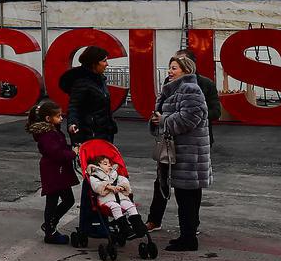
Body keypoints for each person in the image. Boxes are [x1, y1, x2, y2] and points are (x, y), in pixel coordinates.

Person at [145, 49, 221, 232]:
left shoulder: (200, 85)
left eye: (175, 66)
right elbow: (164, 111)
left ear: (188, 66)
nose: (170, 71)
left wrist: (168, 119)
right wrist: (157, 120)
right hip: (170, 142)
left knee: (189, 189)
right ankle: (155, 220)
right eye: (170, 66)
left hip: (192, 144)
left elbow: (209, 113)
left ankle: (190, 228)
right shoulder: (170, 84)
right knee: (162, 182)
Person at [60, 46, 118, 236]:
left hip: (104, 136)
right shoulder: (83, 83)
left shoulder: (99, 80)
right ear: (94, 63)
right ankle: (89, 220)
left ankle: (101, 216)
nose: (107, 64)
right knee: (93, 179)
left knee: (106, 177)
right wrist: (73, 126)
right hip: (91, 137)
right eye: (104, 61)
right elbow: (74, 108)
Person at [26, 100, 79, 245]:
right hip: (54, 171)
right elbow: (56, 153)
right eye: (58, 116)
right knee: (54, 200)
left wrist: (71, 147)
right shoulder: (47, 134)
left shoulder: (53, 130)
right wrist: (72, 153)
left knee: (66, 200)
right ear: (48, 119)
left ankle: (49, 225)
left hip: (58, 171)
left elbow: (60, 147)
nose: (61, 118)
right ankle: (50, 231)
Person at [86, 155, 147, 239]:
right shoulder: (94, 176)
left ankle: (138, 227)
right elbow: (96, 186)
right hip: (106, 200)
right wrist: (108, 186)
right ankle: (125, 229)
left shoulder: (115, 174)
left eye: (109, 163)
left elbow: (124, 180)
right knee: (116, 206)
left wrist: (121, 186)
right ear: (97, 166)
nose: (109, 165)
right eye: (105, 163)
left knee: (131, 206)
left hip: (120, 197)